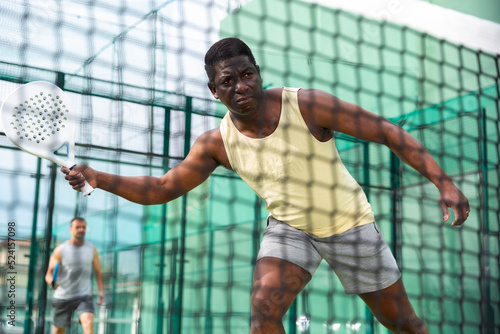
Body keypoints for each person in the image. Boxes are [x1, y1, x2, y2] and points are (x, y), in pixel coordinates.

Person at [61, 38, 469, 333]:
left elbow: (385, 131)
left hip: (349, 223)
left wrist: (444, 182)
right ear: (213, 90)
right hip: (289, 229)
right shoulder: (215, 143)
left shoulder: (308, 105)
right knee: (263, 308)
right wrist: (100, 178)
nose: (241, 87)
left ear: (257, 73)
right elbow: (163, 188)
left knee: (403, 323)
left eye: (247, 74)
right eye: (228, 81)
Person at [45, 217, 104, 334]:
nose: (81, 229)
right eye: (78, 227)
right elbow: (49, 273)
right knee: (58, 331)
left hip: (84, 296)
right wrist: (51, 282)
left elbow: (98, 271)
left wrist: (101, 291)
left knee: (88, 322)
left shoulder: (92, 249)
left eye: (83, 227)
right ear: (71, 230)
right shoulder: (60, 250)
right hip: (63, 296)